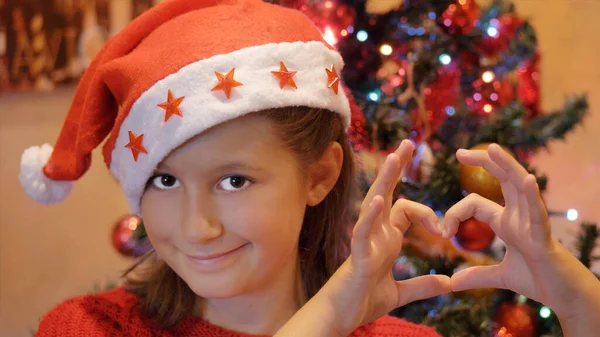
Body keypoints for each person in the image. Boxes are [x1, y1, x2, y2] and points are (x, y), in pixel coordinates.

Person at [18, 0, 600, 336]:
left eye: (233, 180)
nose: (196, 228)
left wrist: (579, 304)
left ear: (320, 175)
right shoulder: (89, 329)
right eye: (165, 180)